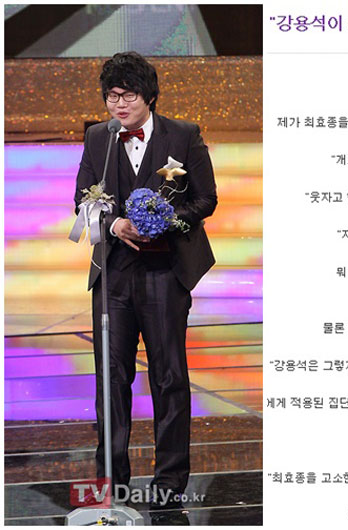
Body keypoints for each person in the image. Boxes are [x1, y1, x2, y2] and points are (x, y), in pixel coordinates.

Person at [74, 51, 217, 506]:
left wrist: (165, 222)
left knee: (169, 377)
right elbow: (83, 197)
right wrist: (115, 224)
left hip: (165, 272)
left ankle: (170, 481)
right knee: (111, 379)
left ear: (149, 96)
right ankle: (111, 480)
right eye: (112, 96)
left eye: (128, 96)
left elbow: (206, 199)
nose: (119, 105)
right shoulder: (98, 137)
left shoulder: (183, 135)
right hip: (113, 274)